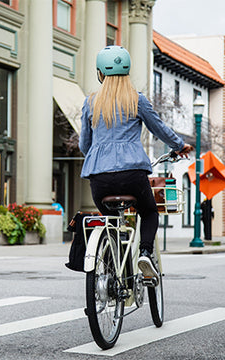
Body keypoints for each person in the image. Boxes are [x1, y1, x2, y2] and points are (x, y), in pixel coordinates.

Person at [79, 45, 193, 282]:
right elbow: (159, 129)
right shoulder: (137, 100)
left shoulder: (90, 103)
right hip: (132, 175)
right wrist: (179, 146)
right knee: (149, 212)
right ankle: (144, 253)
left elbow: (84, 145)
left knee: (109, 221)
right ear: (127, 72)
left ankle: (113, 267)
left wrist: (100, 157)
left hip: (99, 179)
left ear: (100, 73)